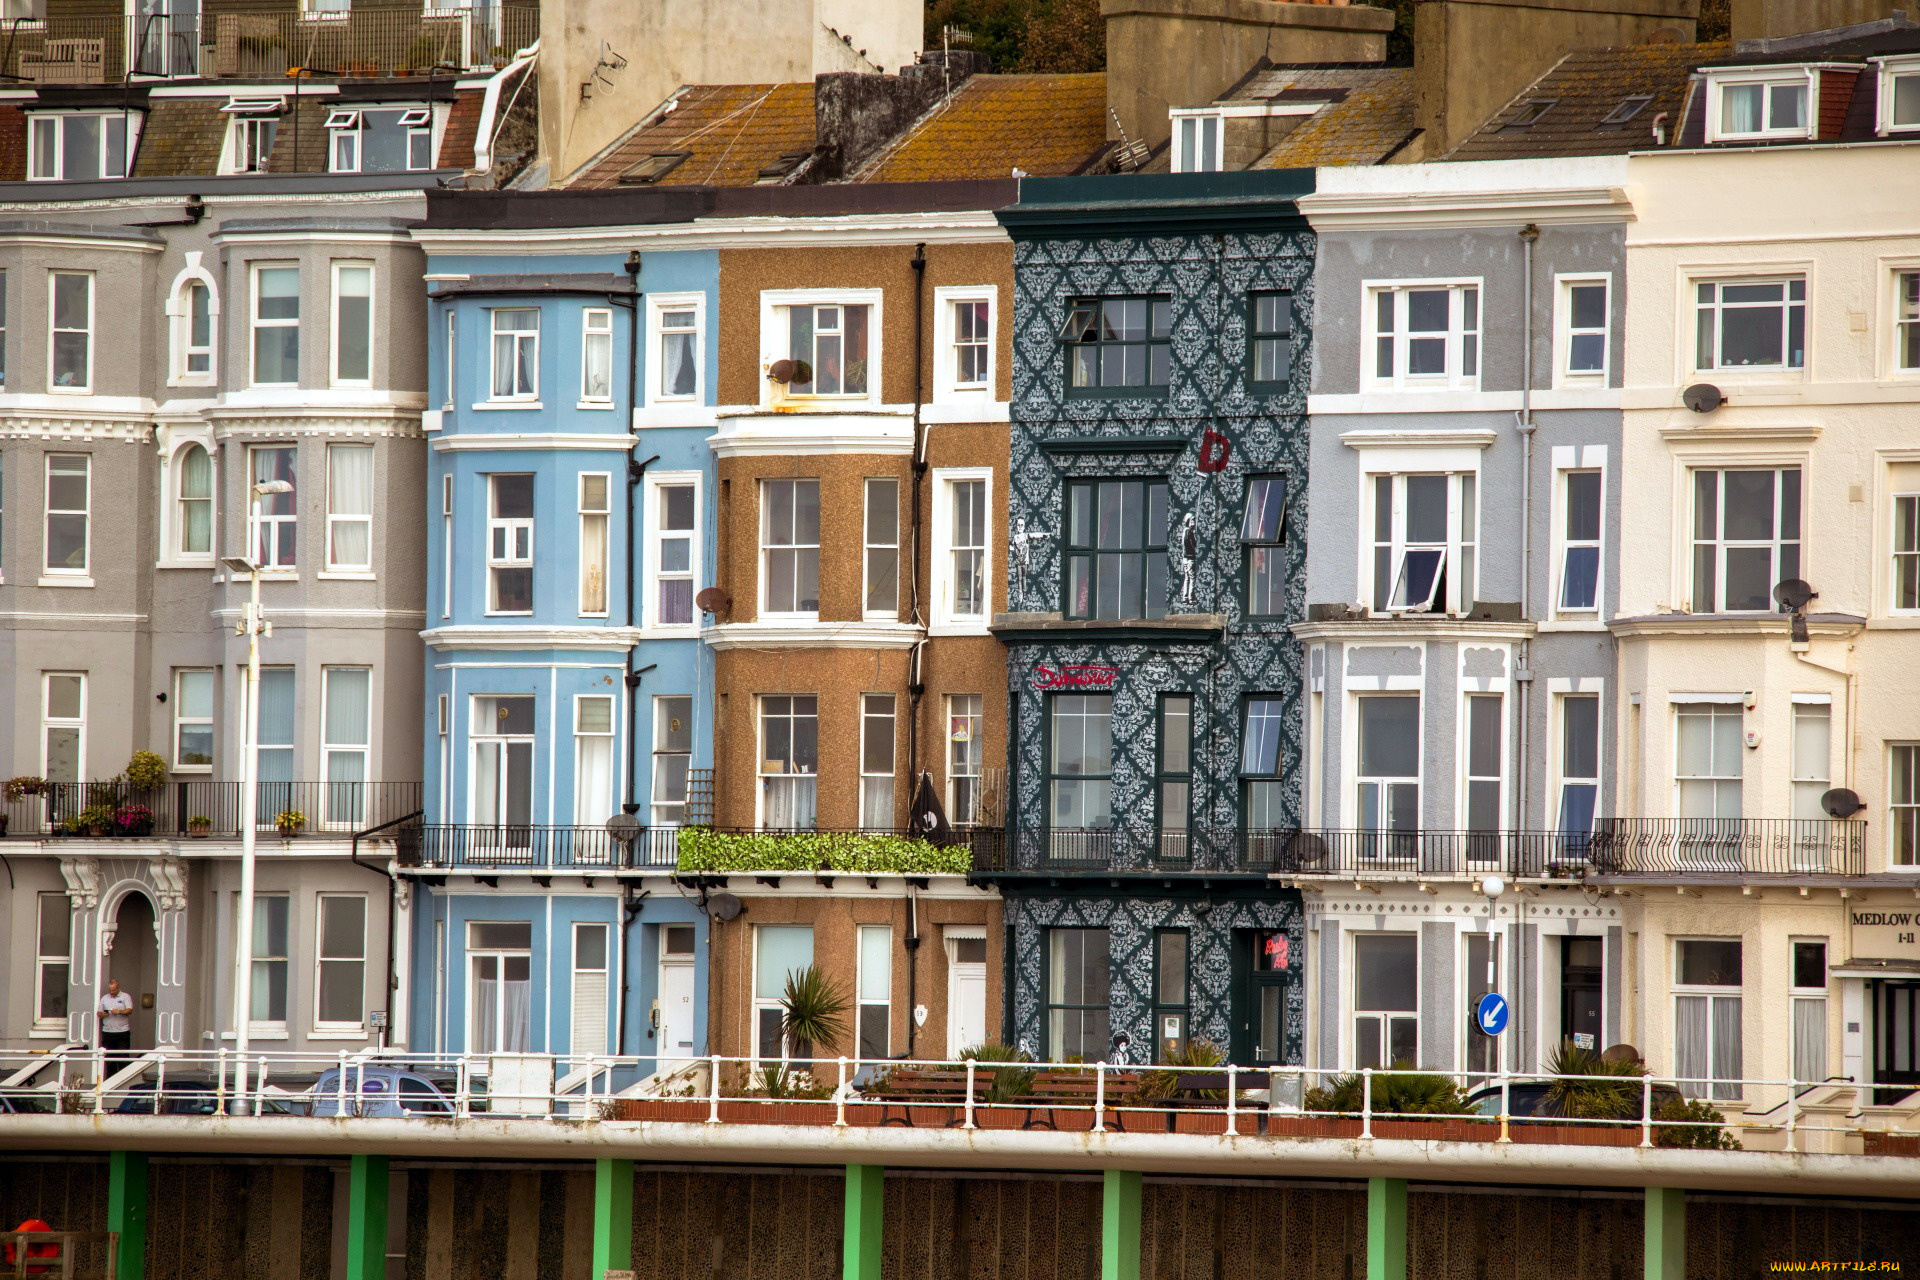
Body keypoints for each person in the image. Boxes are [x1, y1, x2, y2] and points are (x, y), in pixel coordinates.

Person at [97, 979, 133, 1067]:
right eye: (110, 990)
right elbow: (98, 1013)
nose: (111, 992)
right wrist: (102, 1014)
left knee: (123, 1058)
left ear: (118, 988)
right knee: (109, 1059)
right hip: (108, 1033)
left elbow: (129, 1010)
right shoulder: (104, 998)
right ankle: (110, 1079)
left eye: (113, 990)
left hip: (122, 1032)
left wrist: (119, 1012)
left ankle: (123, 1078)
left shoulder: (125, 997)